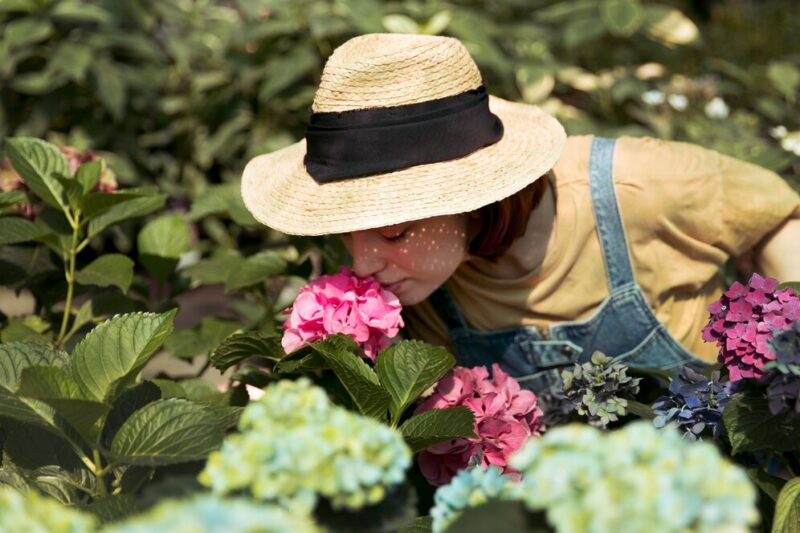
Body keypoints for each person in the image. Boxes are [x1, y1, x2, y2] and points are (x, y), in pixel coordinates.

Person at [240, 33, 800, 393]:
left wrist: (783, 341)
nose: (363, 261)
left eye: (393, 229)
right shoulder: (423, 298)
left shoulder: (642, 185)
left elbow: (778, 216)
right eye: (346, 233)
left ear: (471, 199)